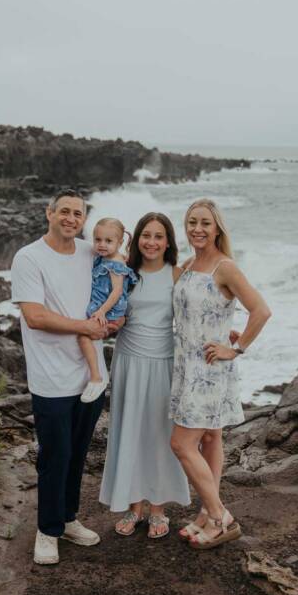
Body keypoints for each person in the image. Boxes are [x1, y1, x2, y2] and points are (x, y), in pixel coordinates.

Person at [10, 188, 111, 566]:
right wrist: (84, 325)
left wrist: (112, 319)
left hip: (91, 375)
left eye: (78, 214)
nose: (71, 218)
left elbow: (114, 286)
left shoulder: (90, 252)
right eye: (64, 211)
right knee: (55, 455)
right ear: (48, 213)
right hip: (50, 378)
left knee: (78, 454)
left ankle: (68, 519)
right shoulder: (29, 257)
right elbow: (35, 316)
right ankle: (47, 530)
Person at [169, 198, 271, 549]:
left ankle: (220, 517)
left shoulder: (225, 268)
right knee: (211, 439)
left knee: (181, 444)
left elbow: (261, 310)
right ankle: (205, 513)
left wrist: (237, 347)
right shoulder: (189, 264)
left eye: (205, 223)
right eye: (192, 222)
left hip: (210, 369)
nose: (197, 228)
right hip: (186, 366)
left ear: (217, 229)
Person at [99, 213, 191, 538]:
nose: (151, 242)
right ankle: (134, 506)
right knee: (130, 431)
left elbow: (194, 317)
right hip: (127, 360)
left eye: (158, 236)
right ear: (136, 238)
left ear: (168, 242)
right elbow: (112, 310)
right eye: (145, 235)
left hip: (163, 361)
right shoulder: (125, 270)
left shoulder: (178, 274)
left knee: (159, 434)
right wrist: (110, 322)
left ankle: (159, 509)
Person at [78, 217, 137, 403]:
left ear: (119, 243)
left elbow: (118, 291)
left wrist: (102, 311)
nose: (102, 245)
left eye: (108, 241)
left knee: (83, 336)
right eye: (98, 240)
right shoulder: (105, 258)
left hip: (109, 309)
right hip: (103, 305)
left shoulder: (116, 263)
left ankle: (96, 378)